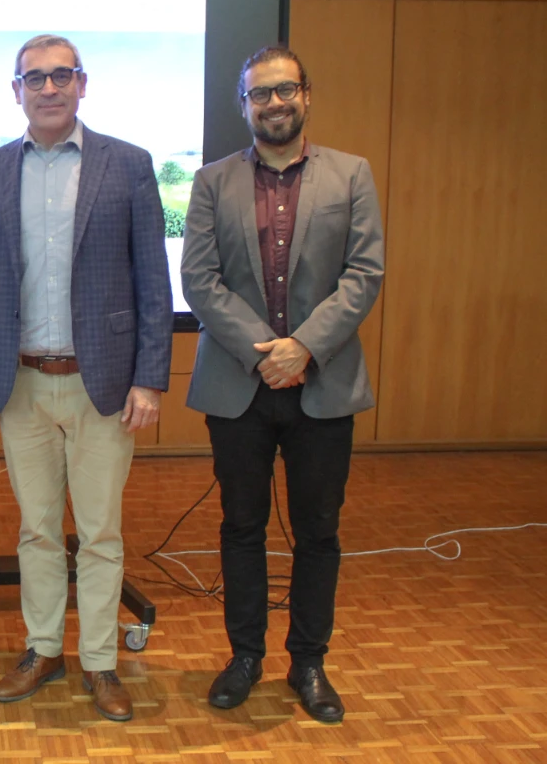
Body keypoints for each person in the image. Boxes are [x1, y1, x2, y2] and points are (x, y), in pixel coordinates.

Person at [0, 35, 174, 722]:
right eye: (35, 78)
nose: (48, 88)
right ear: (15, 89)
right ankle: (43, 646)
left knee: (102, 532)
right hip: (20, 381)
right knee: (37, 529)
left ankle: (102, 662)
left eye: (62, 76)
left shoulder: (129, 164)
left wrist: (150, 377)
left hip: (103, 384)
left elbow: (151, 279)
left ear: (83, 83)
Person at [181, 46, 384, 724]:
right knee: (242, 526)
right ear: (243, 104)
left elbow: (364, 275)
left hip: (322, 383)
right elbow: (200, 279)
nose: (274, 103)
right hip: (238, 383)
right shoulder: (211, 181)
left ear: (306, 96)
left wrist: (303, 348)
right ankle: (244, 656)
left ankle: (309, 661)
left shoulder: (351, 174)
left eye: (285, 90)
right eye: (259, 94)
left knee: (317, 531)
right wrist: (264, 351)